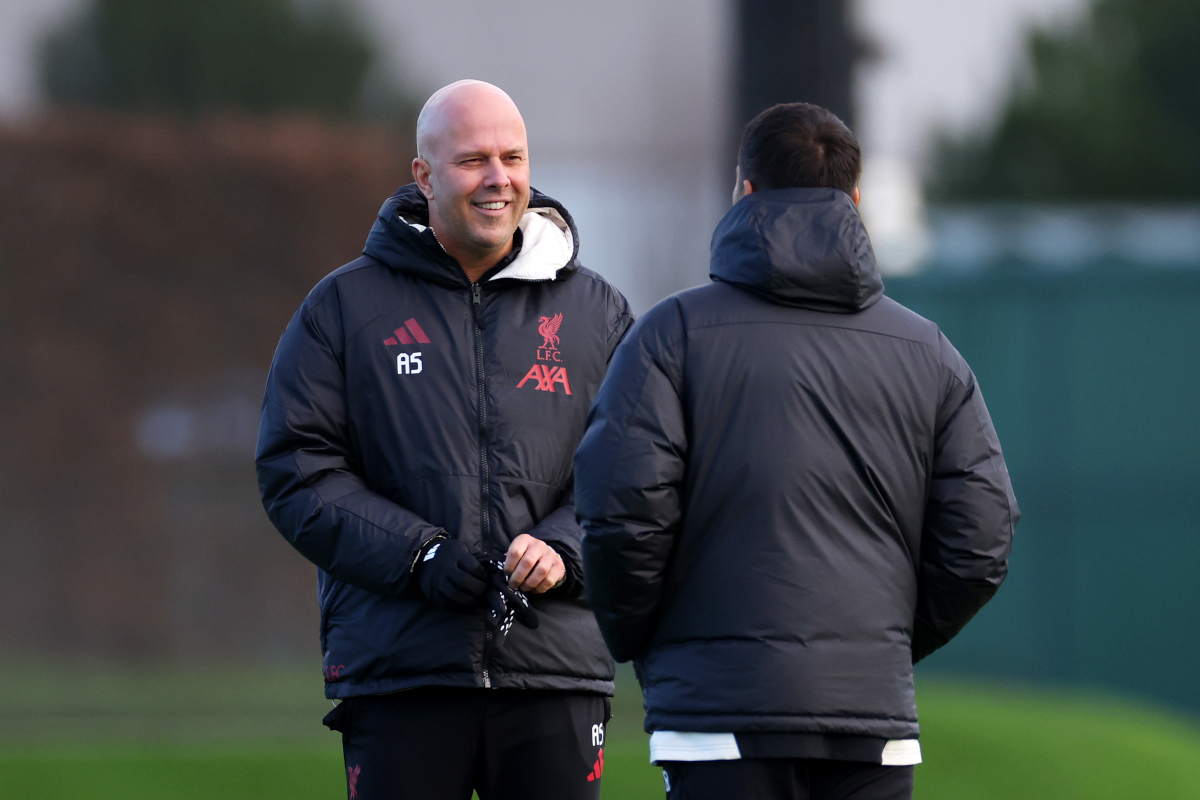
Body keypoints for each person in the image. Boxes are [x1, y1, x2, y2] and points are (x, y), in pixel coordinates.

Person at [575, 103, 1018, 800]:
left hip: (719, 721)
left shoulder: (672, 335)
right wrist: (880, 644)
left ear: (745, 191)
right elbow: (981, 536)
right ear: (856, 200)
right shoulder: (929, 352)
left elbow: (621, 514)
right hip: (871, 726)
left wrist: (646, 639)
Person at [256, 80, 633, 800]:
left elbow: (637, 474)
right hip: (401, 675)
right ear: (424, 175)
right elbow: (295, 471)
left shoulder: (599, 314)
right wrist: (418, 554)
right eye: (472, 160)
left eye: (512, 158)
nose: (498, 179)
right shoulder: (343, 309)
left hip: (554, 674)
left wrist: (564, 547)